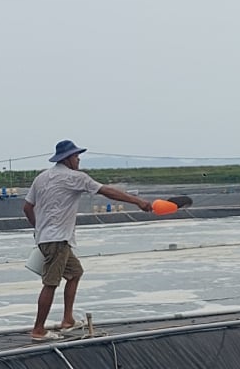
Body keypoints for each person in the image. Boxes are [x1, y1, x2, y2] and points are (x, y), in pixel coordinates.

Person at [23, 140, 152, 342]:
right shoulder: (75, 177)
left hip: (50, 239)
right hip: (57, 240)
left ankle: (68, 320)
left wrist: (38, 229)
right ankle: (38, 330)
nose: (78, 159)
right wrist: (138, 201)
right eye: (75, 156)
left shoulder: (41, 177)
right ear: (67, 159)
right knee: (50, 283)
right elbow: (106, 191)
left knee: (75, 273)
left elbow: (27, 208)